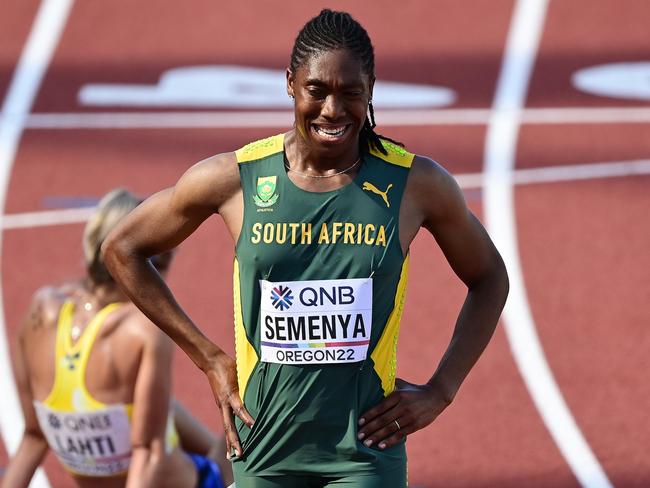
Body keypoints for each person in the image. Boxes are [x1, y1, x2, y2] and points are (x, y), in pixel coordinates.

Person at [102, 9, 509, 487]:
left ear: (371, 90)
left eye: (350, 92)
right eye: (317, 90)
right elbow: (122, 248)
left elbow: (490, 278)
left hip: (363, 455)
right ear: (291, 84)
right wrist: (209, 358)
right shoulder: (236, 179)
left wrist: (441, 390)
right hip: (263, 450)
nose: (333, 110)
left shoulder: (415, 184)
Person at [2, 189, 233, 488]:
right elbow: (147, 454)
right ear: (152, 264)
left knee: (153, 405)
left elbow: (33, 438)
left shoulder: (41, 310)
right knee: (255, 402)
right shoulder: (143, 330)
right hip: (196, 483)